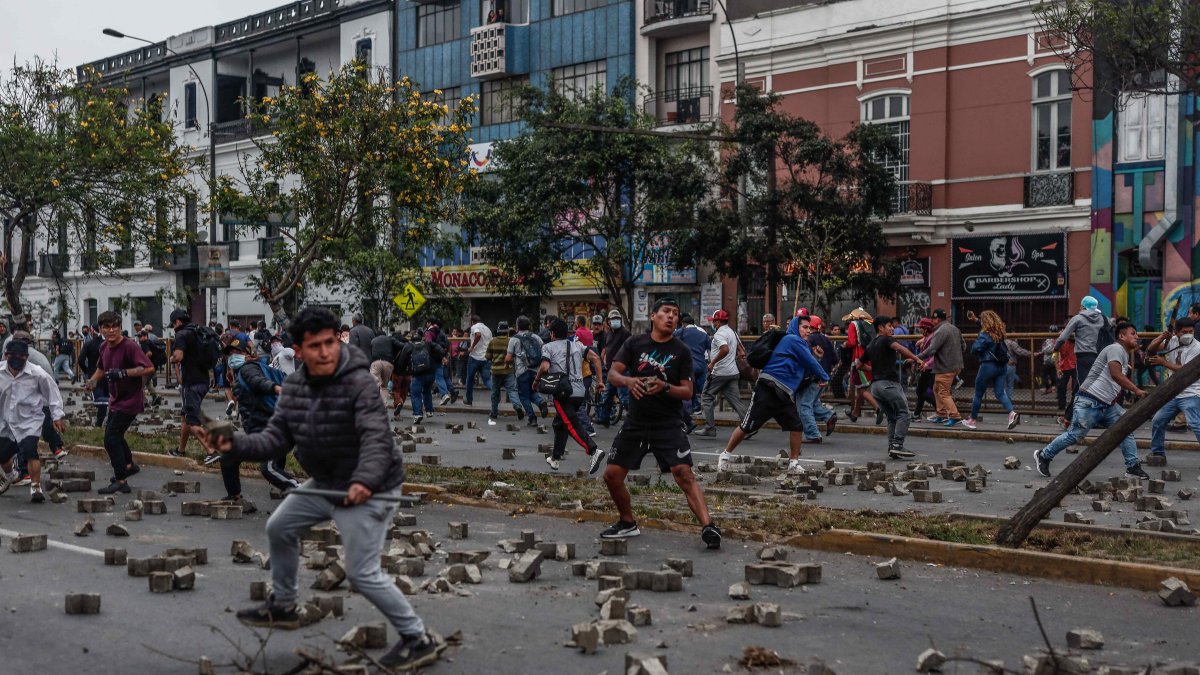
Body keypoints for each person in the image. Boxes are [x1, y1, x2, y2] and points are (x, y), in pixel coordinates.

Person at [200, 307, 440, 671]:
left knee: (361, 573)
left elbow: (376, 439)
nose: (325, 352)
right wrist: (234, 444)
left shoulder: (359, 382)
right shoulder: (295, 387)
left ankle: (417, 638)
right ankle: (284, 605)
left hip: (372, 483)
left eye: (330, 342)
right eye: (315, 346)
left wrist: (364, 481)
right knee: (279, 527)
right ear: (299, 350)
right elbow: (274, 439)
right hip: (328, 482)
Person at [596, 298, 721, 550]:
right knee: (612, 475)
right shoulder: (635, 343)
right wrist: (629, 382)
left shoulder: (681, 351)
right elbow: (614, 373)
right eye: (666, 312)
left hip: (668, 423)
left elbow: (687, 392)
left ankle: (709, 527)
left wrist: (664, 386)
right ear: (653, 316)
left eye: (675, 313)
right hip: (636, 423)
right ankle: (627, 522)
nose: (671, 316)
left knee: (684, 474)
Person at [1033, 322, 1150, 480]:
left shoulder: (1123, 354)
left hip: (1107, 405)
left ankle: (1133, 467)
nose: (1137, 337)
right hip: (1089, 401)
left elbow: (1114, 381)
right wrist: (1136, 390)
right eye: (1133, 333)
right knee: (1075, 435)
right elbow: (1115, 374)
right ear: (1122, 336)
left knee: (1126, 428)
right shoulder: (1116, 349)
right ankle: (1043, 455)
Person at [717, 314, 830, 474]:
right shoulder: (792, 339)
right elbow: (809, 362)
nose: (808, 331)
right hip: (768, 389)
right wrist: (825, 376)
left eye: (810, 328)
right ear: (796, 328)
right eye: (805, 327)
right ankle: (724, 456)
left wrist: (816, 360)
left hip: (783, 394)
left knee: (796, 426)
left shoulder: (799, 345)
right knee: (748, 426)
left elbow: (805, 369)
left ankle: (794, 463)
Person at [85, 311, 155, 494]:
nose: (111, 330)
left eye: (115, 326)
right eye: (107, 327)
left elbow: (149, 368)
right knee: (115, 433)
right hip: (115, 399)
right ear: (100, 329)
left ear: (120, 327)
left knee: (111, 439)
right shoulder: (103, 347)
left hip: (131, 400)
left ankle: (121, 480)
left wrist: (124, 373)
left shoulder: (129, 346)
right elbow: (101, 368)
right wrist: (92, 381)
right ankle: (129, 465)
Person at [0, 340, 65, 502]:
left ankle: (36, 488)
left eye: (21, 356)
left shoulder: (37, 374)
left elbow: (52, 393)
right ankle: (11, 476)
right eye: (13, 356)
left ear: (27, 357)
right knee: (2, 456)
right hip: (6, 422)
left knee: (30, 452)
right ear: (6, 355)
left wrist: (57, 416)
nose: (17, 359)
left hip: (29, 421)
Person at [535, 318, 600, 470]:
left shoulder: (548, 347)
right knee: (559, 424)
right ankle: (555, 458)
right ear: (567, 333)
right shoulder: (577, 345)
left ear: (552, 334)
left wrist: (536, 380)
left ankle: (593, 451)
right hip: (579, 392)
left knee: (571, 424)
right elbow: (596, 358)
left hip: (563, 392)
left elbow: (544, 367)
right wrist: (600, 382)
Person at [859, 315, 924, 459]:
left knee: (892, 417)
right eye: (889, 326)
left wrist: (874, 370)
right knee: (904, 414)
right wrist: (916, 359)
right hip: (889, 384)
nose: (892, 329)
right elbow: (899, 348)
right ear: (880, 327)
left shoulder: (871, 344)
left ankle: (892, 447)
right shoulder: (886, 339)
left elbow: (859, 365)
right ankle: (897, 445)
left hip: (875, 387)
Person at [1145, 318, 1200, 463]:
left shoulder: (1197, 347)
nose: (1188, 334)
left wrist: (1164, 363)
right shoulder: (1173, 340)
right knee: (1158, 420)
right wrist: (1162, 337)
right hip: (1174, 393)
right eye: (1184, 332)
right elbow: (1151, 349)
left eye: (1191, 331)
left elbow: (1186, 370)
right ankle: (1158, 453)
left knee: (1196, 424)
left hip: (1191, 393)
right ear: (1176, 332)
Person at [169, 309, 219, 464]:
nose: (173, 327)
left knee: (192, 421)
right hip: (203, 380)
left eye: (173, 324)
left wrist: (171, 358)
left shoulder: (181, 335)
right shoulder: (198, 331)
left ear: (177, 322)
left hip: (191, 383)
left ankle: (212, 451)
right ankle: (180, 450)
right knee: (185, 417)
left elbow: (178, 356)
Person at [962, 310, 1021, 431]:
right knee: (1000, 393)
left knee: (978, 394)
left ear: (986, 322)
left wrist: (976, 345)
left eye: (982, 320)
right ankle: (1012, 413)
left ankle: (972, 420)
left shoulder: (984, 334)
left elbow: (975, 348)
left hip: (988, 365)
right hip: (1002, 366)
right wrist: (975, 320)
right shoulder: (999, 333)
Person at [1054, 296, 1109, 424]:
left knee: (1084, 388)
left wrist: (1056, 348)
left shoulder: (1078, 318)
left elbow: (1063, 338)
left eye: (1081, 305)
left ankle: (1090, 419)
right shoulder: (1103, 318)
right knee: (1083, 387)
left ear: (1083, 306)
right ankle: (1068, 418)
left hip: (1083, 357)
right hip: (1099, 357)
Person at [694, 309, 748, 437]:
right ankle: (749, 426)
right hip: (732, 372)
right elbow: (742, 352)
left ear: (718, 322)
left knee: (706, 397)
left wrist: (712, 363)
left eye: (714, 321)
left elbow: (725, 349)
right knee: (735, 400)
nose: (713, 324)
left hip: (719, 372)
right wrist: (731, 359)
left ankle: (710, 428)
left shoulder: (719, 334)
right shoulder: (732, 332)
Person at [915, 309, 964, 426]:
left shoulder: (940, 331)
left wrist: (915, 358)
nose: (932, 321)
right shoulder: (955, 329)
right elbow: (964, 345)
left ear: (936, 319)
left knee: (943, 392)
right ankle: (941, 414)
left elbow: (932, 349)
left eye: (933, 319)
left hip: (945, 367)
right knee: (936, 389)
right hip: (955, 365)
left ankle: (955, 416)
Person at [797, 315, 838, 443]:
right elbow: (835, 359)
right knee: (812, 403)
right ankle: (828, 415)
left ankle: (813, 434)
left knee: (804, 406)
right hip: (824, 377)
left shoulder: (807, 340)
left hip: (811, 378)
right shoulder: (826, 339)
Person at [507, 316, 549, 427]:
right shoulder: (536, 337)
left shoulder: (514, 339)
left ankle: (532, 418)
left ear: (517, 326)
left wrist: (508, 362)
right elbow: (544, 350)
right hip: (536, 370)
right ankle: (541, 402)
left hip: (522, 372)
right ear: (529, 326)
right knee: (532, 392)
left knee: (523, 396)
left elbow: (508, 357)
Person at [843, 308, 880, 423]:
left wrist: (845, 344)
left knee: (861, 387)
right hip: (871, 356)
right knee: (861, 386)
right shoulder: (870, 324)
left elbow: (852, 342)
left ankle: (878, 408)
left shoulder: (853, 324)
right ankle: (855, 413)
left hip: (859, 357)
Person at [595, 309, 632, 427]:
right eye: (613, 319)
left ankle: (635, 419)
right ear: (608, 321)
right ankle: (604, 418)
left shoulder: (625, 333)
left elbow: (630, 350)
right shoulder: (608, 334)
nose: (615, 321)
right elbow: (607, 349)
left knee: (624, 398)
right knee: (607, 397)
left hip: (622, 371)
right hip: (611, 371)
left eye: (617, 319)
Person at [673, 313, 711, 418]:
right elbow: (710, 348)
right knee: (702, 389)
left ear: (683, 324)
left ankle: (692, 410)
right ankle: (703, 408)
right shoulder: (703, 334)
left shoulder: (680, 332)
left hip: (688, 366)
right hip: (702, 365)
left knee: (689, 388)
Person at [486, 321, 522, 426]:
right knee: (511, 390)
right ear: (507, 331)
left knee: (495, 392)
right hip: (508, 370)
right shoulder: (511, 341)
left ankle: (494, 413)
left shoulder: (493, 341)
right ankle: (517, 406)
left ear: (498, 330)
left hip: (496, 371)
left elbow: (487, 356)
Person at [411, 329, 446, 424]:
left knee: (416, 394)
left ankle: (418, 414)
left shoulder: (410, 346)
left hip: (417, 374)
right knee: (427, 391)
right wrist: (443, 356)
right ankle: (429, 411)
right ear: (421, 339)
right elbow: (440, 349)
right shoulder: (428, 344)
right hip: (430, 373)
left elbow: (403, 359)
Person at [79, 324, 108, 427]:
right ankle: (107, 423)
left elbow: (80, 360)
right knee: (108, 399)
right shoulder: (107, 343)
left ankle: (99, 424)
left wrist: (87, 371)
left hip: (93, 376)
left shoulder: (88, 344)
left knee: (99, 400)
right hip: (107, 375)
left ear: (92, 331)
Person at [911, 318, 938, 421]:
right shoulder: (928, 337)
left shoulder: (932, 338)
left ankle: (940, 409)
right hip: (926, 367)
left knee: (921, 391)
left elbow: (934, 353)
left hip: (929, 367)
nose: (919, 330)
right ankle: (917, 414)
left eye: (921, 328)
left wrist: (926, 363)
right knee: (921, 391)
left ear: (926, 329)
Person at [463, 314, 493, 406]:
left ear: (472, 321)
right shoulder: (488, 329)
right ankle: (496, 392)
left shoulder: (474, 327)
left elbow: (478, 334)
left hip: (474, 358)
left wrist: (472, 346)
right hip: (486, 358)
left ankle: (469, 400)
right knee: (487, 380)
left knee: (470, 379)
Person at [369, 329, 403, 407]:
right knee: (384, 386)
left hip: (376, 362)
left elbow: (370, 352)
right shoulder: (390, 339)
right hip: (388, 363)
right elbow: (401, 346)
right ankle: (383, 404)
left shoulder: (373, 340)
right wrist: (395, 356)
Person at [138, 330, 167, 407]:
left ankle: (143, 402)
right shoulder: (150, 342)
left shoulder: (144, 343)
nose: (139, 338)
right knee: (147, 383)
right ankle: (155, 397)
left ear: (145, 336)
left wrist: (143, 361)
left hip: (148, 367)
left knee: (140, 384)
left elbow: (149, 353)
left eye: (140, 337)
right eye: (138, 337)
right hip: (154, 366)